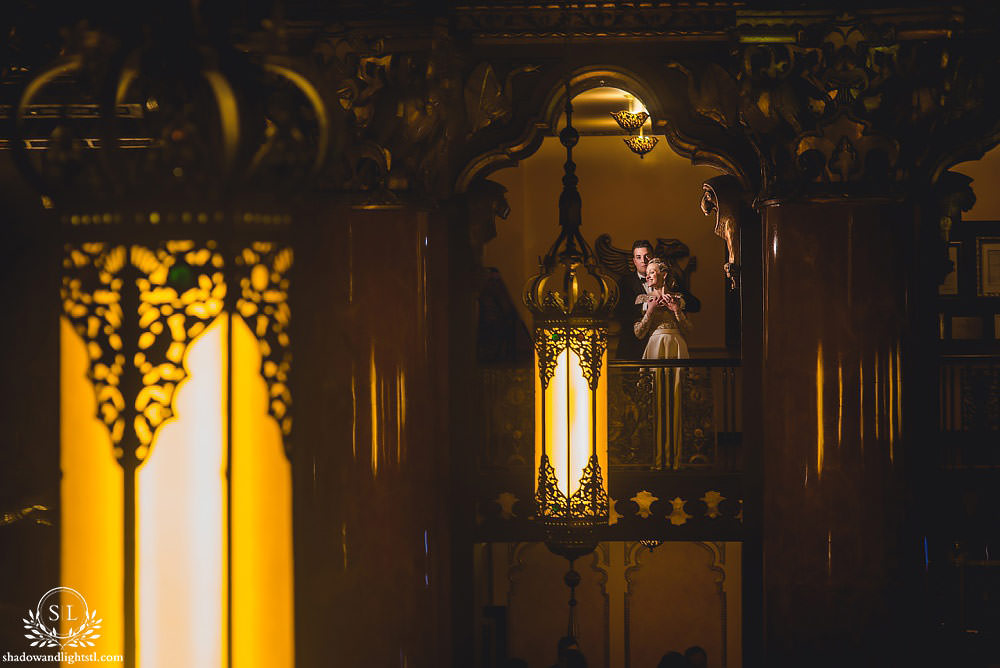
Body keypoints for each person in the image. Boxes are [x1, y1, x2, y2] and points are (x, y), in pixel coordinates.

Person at [634, 257, 691, 468]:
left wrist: (676, 310)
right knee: (657, 403)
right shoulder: (642, 298)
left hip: (676, 347)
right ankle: (657, 458)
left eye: (652, 271)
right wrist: (649, 311)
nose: (648, 275)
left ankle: (675, 458)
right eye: (647, 272)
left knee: (676, 400)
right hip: (655, 348)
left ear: (664, 275)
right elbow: (639, 333)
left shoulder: (678, 298)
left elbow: (689, 330)